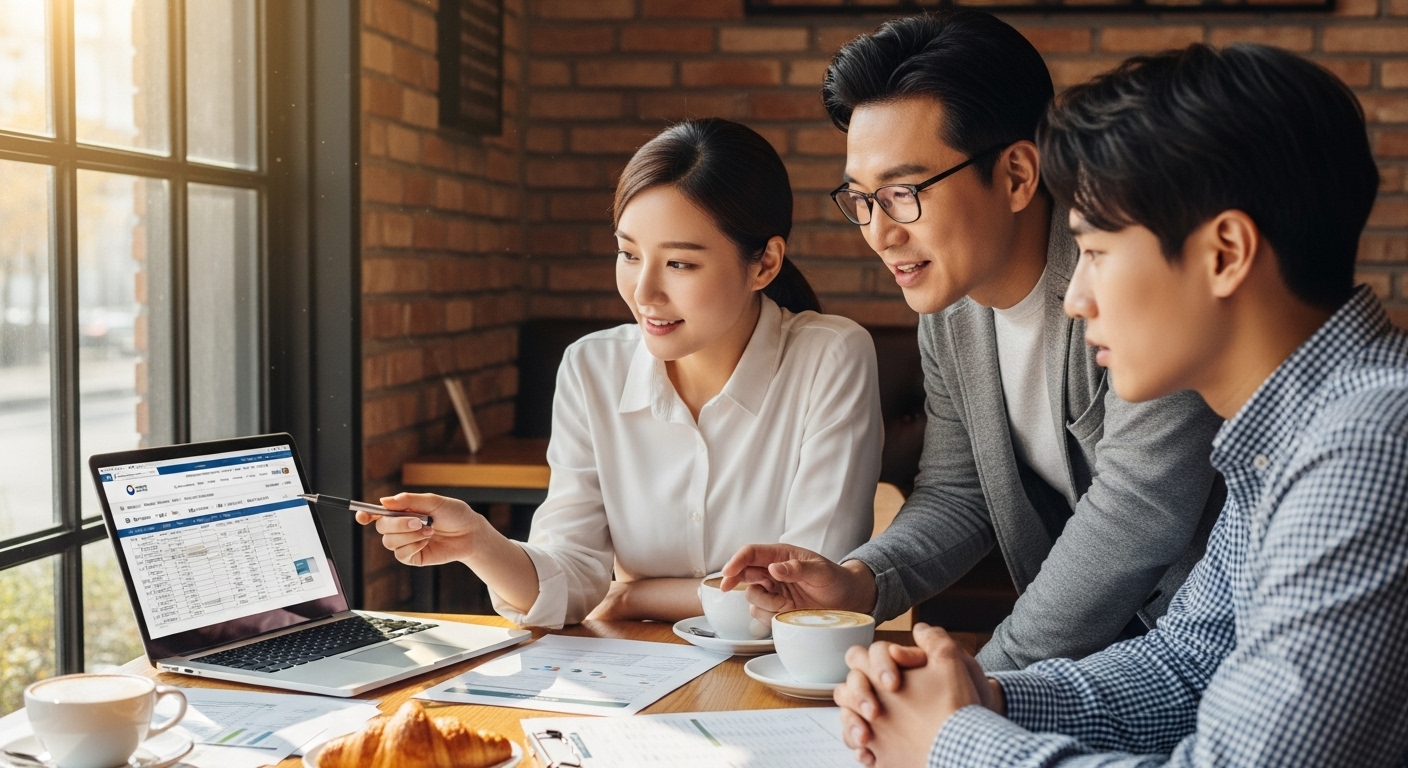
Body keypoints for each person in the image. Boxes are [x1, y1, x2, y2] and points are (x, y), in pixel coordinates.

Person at [837, 43, 1408, 767]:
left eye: (1097, 253)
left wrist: (956, 743)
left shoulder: (1369, 443)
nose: (1075, 299)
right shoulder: (1289, 432)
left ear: (1225, 252)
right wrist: (988, 697)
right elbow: (1190, 661)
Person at [722, 11, 1224, 672]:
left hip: (1209, 658)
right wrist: (860, 584)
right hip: (1098, 671)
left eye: (903, 192)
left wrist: (985, 681)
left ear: (1016, 175)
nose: (878, 231)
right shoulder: (951, 311)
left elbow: (1135, 515)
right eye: (861, 198)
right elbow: (960, 492)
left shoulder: (1129, 283)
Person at [359, 119, 883, 627]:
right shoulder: (592, 367)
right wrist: (478, 541)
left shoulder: (831, 356)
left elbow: (809, 596)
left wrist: (636, 596)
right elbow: (571, 577)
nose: (643, 292)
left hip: (779, 681)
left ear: (765, 263)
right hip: (634, 677)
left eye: (679, 263)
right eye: (629, 254)